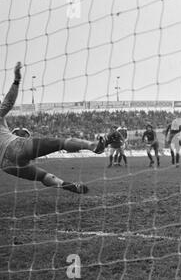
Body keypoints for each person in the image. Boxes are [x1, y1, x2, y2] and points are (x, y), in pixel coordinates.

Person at [0, 62, 106, 194]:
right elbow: (8, 103)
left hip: (6, 166)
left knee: (42, 176)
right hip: (14, 146)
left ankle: (64, 184)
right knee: (60, 143)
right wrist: (17, 80)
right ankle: (93, 146)